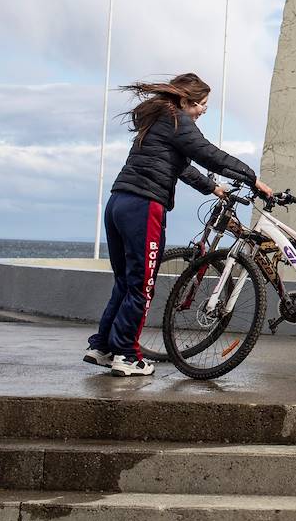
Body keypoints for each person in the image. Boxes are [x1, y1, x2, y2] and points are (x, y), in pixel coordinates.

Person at [88, 74, 273, 377]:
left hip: (118, 202)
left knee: (126, 281)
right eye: (202, 105)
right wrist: (252, 177)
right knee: (142, 286)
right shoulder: (177, 120)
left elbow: (182, 166)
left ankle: (103, 347)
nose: (202, 111)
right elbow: (209, 154)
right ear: (186, 100)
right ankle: (127, 356)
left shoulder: (158, 119)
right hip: (144, 206)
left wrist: (214, 189)